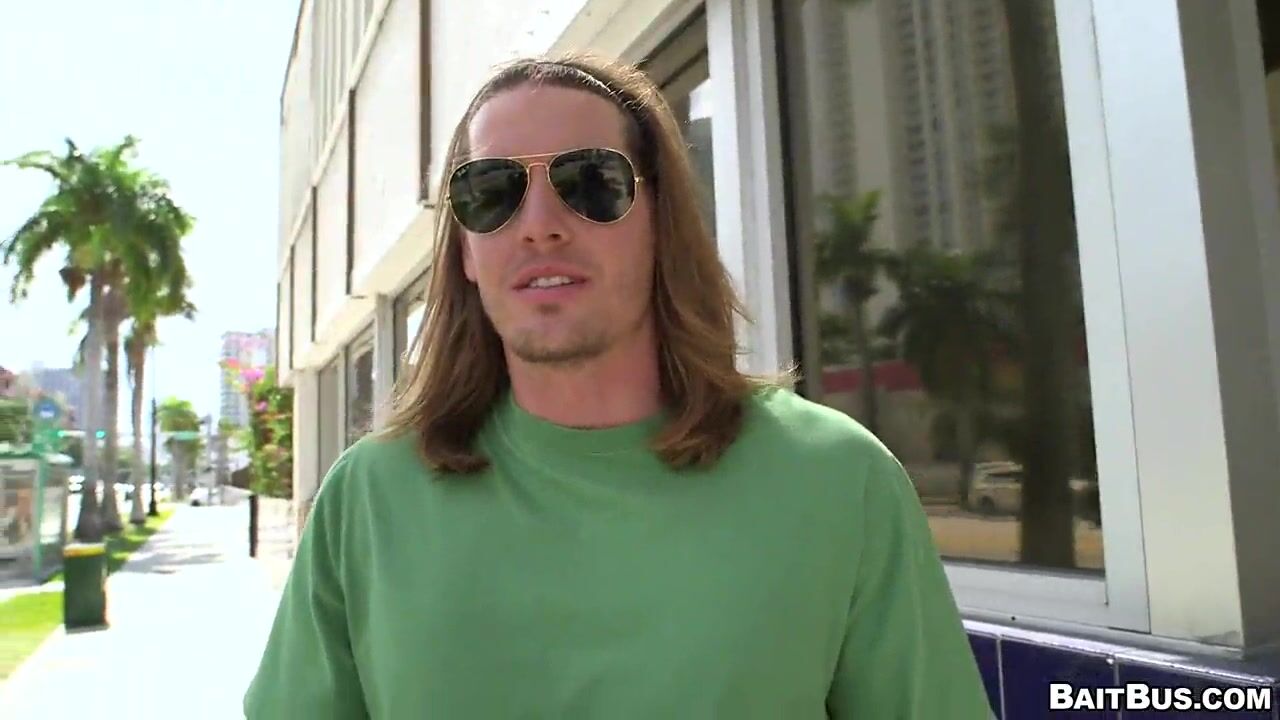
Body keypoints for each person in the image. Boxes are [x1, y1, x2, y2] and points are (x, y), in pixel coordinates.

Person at [244, 52, 994, 719]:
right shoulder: (367, 501)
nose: (539, 225)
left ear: (661, 221)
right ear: (465, 251)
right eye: (491, 191)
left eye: (590, 183)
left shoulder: (836, 479)